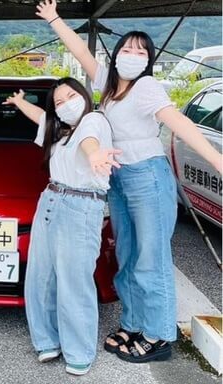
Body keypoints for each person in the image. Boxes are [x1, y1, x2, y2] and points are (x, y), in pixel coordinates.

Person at [36, 0, 223, 364]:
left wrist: (216, 159)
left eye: (141, 50)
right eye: (127, 48)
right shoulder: (107, 86)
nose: (132, 54)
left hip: (148, 178)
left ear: (148, 59)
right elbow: (81, 51)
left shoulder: (147, 87)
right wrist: (55, 20)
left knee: (151, 259)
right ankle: (134, 324)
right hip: (119, 181)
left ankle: (158, 336)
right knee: (128, 257)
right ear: (117, 53)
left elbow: (177, 122)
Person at [4, 78, 120, 375]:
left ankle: (79, 351)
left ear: (84, 95)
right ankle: (47, 341)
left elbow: (89, 142)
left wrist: (95, 155)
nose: (66, 104)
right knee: (40, 277)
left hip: (81, 205)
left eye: (71, 96)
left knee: (74, 281)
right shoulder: (60, 131)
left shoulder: (93, 121)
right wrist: (19, 103)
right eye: (58, 102)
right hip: (51, 200)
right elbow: (42, 117)